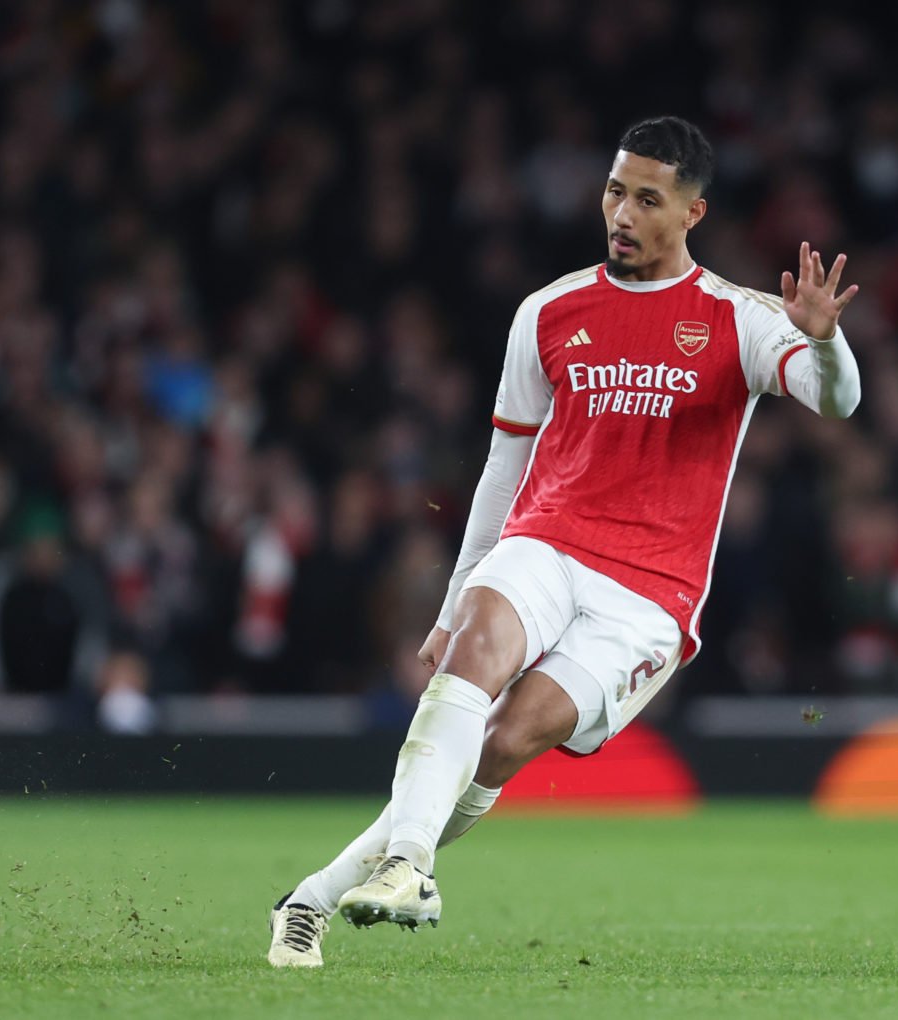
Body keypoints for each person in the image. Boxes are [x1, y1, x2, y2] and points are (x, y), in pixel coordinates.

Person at [267, 116, 862, 967]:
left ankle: (313, 897)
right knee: (472, 656)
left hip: (651, 593)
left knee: (507, 740)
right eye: (615, 190)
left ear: (693, 213)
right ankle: (408, 865)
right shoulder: (548, 311)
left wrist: (826, 338)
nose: (622, 212)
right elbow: (503, 469)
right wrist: (452, 602)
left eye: (647, 198)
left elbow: (837, 401)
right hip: (546, 541)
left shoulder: (740, 318)